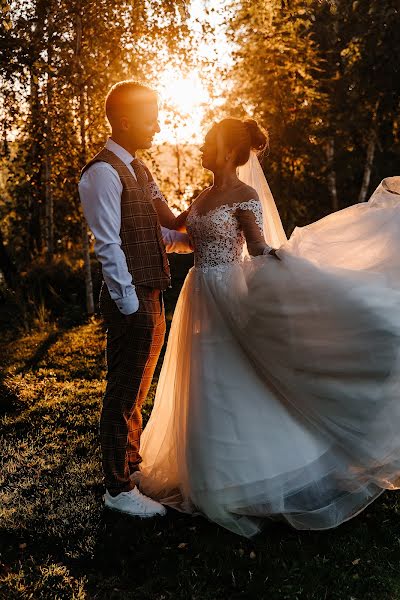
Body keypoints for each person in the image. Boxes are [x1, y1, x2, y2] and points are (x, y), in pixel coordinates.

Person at [135, 116, 400, 537]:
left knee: (229, 377)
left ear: (225, 151)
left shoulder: (244, 194)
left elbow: (256, 246)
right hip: (198, 293)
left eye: (206, 143)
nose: (201, 148)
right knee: (203, 381)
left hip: (227, 292)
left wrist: (288, 264)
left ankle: (248, 475)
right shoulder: (204, 196)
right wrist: (147, 186)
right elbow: (176, 226)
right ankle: (211, 476)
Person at [79, 80, 191, 518]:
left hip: (150, 291)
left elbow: (152, 233)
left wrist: (193, 240)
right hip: (132, 297)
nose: (157, 125)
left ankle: (130, 468)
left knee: (137, 390)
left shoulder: (139, 169)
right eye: (151, 117)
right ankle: (117, 489)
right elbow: (108, 245)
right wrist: (129, 305)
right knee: (123, 392)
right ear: (125, 119)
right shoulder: (102, 172)